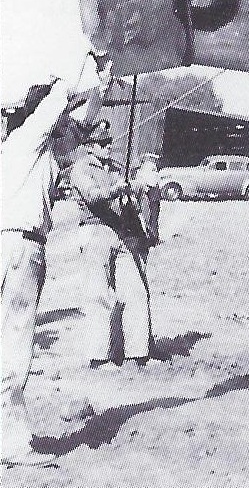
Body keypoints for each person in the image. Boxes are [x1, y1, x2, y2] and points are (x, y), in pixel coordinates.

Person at [1, 60, 112, 467]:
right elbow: (62, 102)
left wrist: (101, 82)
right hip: (20, 247)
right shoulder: (32, 137)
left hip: (7, 243)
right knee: (14, 344)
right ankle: (11, 445)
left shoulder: (20, 149)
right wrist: (85, 67)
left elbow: (79, 122)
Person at [67, 126, 155, 369]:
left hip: (121, 233)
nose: (107, 146)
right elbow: (93, 196)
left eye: (108, 142)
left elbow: (130, 194)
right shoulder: (81, 169)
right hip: (94, 231)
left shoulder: (115, 168)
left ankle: (138, 355)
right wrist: (117, 189)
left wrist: (134, 189)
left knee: (135, 291)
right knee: (98, 295)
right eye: (101, 142)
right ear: (89, 146)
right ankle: (98, 357)